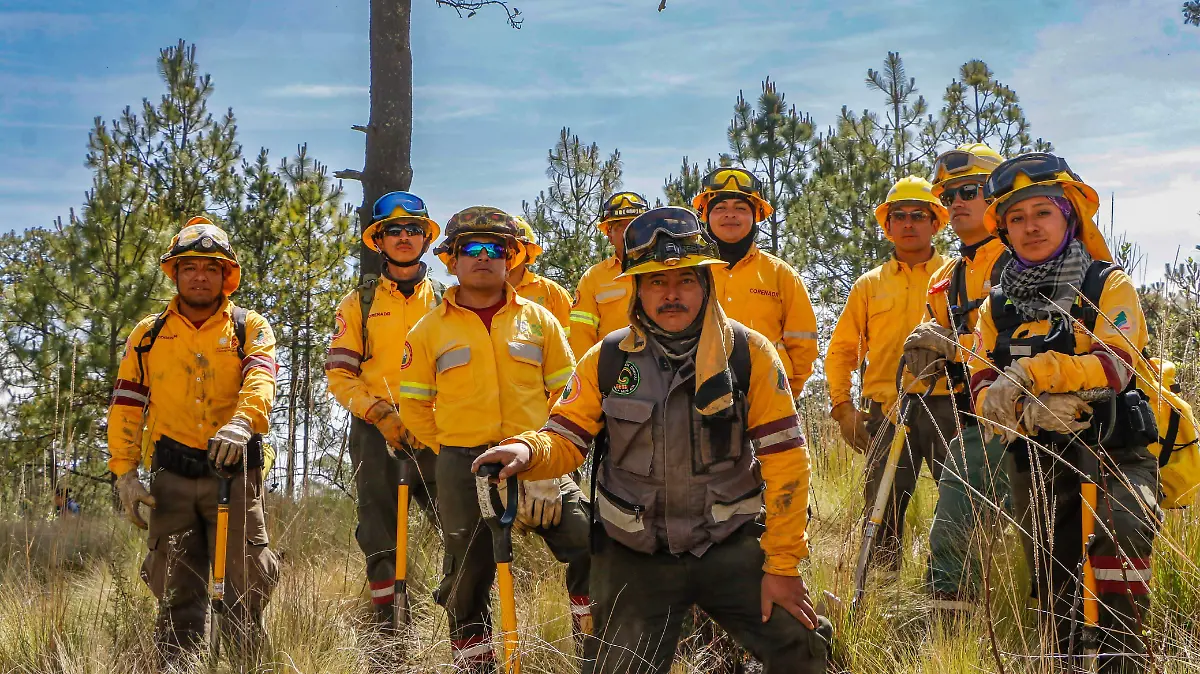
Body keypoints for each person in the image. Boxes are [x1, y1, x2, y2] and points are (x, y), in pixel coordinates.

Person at [474, 206, 832, 674]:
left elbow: (787, 462)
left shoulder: (749, 355)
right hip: (634, 555)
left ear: (707, 285)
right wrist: (525, 452)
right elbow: (564, 438)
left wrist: (782, 567)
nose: (671, 294)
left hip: (729, 544)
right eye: (656, 282)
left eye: (685, 280)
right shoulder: (606, 359)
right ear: (637, 291)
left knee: (800, 648)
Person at [970, 153, 1158, 671]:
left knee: (1119, 538)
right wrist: (994, 399)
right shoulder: (996, 306)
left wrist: (1037, 375)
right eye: (1017, 218)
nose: (1030, 227)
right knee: (1055, 579)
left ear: (1068, 215)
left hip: (1114, 451)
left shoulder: (1106, 285)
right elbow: (984, 374)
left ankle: (1123, 661)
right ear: (1004, 230)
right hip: (1038, 462)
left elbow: (1118, 364)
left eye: (1042, 213)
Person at [396, 206, 592, 671]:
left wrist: (548, 461)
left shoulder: (541, 321)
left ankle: (596, 654)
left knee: (591, 545)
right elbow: (415, 409)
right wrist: (454, 449)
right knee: (466, 577)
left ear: (512, 258)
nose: (484, 258)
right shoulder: (427, 330)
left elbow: (568, 397)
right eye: (471, 249)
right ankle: (477, 665)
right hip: (464, 464)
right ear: (451, 259)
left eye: (496, 249)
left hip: (539, 456)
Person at [107, 217, 278, 661]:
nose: (200, 276)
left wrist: (243, 423)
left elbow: (261, 378)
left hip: (238, 475)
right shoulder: (148, 335)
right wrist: (124, 473)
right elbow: (126, 405)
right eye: (189, 267)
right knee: (175, 592)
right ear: (175, 273)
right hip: (172, 476)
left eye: (210, 267)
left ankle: (245, 667)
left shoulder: (249, 326)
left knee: (247, 587)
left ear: (227, 275)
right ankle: (178, 667)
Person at [900, 144, 1016, 615]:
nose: (957, 202)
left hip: (1046, 419)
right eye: (949, 196)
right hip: (981, 422)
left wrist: (958, 345)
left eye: (970, 191)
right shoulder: (945, 281)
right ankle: (953, 635)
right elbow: (950, 355)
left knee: (1054, 543)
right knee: (953, 530)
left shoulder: (1025, 258)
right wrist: (930, 352)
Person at [325, 190, 444, 629]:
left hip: (438, 432)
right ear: (379, 240)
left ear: (426, 238)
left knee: (460, 528)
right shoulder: (359, 303)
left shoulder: (448, 301)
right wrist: (379, 414)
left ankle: (466, 628)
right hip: (376, 434)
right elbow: (340, 376)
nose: (404, 237)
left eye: (414, 229)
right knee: (379, 535)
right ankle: (391, 634)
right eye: (393, 230)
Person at [825, 176, 954, 571]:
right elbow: (843, 350)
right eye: (900, 216)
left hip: (952, 407)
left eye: (920, 215)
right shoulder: (869, 285)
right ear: (888, 225)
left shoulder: (954, 275)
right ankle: (881, 598)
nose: (909, 223)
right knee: (882, 517)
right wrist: (843, 408)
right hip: (888, 413)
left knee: (962, 509)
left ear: (936, 223)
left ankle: (956, 599)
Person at [692, 167, 820, 398]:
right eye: (720, 208)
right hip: (699, 395)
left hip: (769, 394)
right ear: (706, 215)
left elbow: (804, 346)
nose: (730, 215)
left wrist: (788, 394)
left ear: (756, 215)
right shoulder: (691, 273)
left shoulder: (781, 275)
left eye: (740, 208)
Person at [569, 192, 651, 359]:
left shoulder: (667, 268)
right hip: (613, 372)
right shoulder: (593, 278)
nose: (629, 232)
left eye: (635, 225)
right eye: (621, 226)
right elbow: (581, 336)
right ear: (609, 234)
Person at [509, 216, 573, 329]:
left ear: (528, 252)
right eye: (502, 248)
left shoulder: (552, 293)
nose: (510, 253)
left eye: (515, 247)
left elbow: (571, 337)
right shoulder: (479, 293)